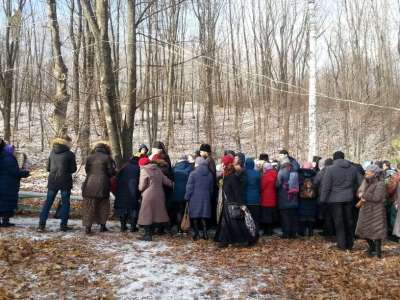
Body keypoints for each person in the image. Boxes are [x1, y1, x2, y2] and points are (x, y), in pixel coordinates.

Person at [320, 151, 362, 250]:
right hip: (349, 198)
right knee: (349, 221)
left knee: (339, 223)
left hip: (334, 200)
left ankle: (342, 245)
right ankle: (349, 244)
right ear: (344, 158)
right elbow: (361, 182)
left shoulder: (330, 169)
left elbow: (326, 186)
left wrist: (323, 200)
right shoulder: (353, 169)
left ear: (334, 159)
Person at [214, 155, 255, 247]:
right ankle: (225, 241)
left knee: (235, 223)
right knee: (228, 224)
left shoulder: (232, 177)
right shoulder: (226, 176)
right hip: (227, 204)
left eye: (223, 163)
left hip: (232, 204)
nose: (221, 165)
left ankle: (246, 239)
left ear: (226, 164)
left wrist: (241, 204)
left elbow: (237, 192)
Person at [39, 137, 77, 231]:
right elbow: (73, 169)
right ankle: (63, 225)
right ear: (67, 143)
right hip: (65, 182)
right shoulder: (70, 154)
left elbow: (48, 168)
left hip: (52, 181)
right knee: (65, 204)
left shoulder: (52, 153)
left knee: (48, 203)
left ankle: (41, 225)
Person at [81, 142, 115, 234]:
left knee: (89, 206)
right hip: (103, 184)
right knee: (103, 205)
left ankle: (88, 228)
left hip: (89, 183)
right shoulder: (107, 157)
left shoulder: (89, 157)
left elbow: (87, 170)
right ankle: (102, 226)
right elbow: (111, 172)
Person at [355, 164, 387, 258]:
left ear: (375, 173)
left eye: (368, 172)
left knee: (376, 233)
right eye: (366, 171)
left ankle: (378, 253)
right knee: (363, 231)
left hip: (376, 211)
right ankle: (371, 247)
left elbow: (377, 197)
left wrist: (364, 195)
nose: (366, 173)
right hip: (366, 210)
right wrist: (360, 194)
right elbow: (359, 192)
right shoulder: (366, 182)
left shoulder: (380, 184)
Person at [137, 157, 173, 241]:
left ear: (141, 164)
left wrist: (139, 188)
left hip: (148, 195)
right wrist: (174, 184)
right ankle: (169, 231)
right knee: (161, 213)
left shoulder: (144, 171)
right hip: (160, 194)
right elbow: (167, 182)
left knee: (146, 214)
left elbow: (142, 186)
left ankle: (147, 235)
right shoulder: (158, 169)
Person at [0, 140, 29, 227]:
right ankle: (5, 221)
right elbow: (14, 172)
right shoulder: (8, 157)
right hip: (8, 184)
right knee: (6, 202)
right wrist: (25, 173)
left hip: (3, 182)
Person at [185, 157, 214, 240]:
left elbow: (189, 187)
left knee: (195, 216)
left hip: (195, 198)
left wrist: (187, 197)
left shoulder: (193, 174)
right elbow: (211, 188)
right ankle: (205, 234)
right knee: (203, 216)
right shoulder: (210, 174)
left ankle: (197, 234)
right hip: (206, 197)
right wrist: (210, 195)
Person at [114, 156, 140, 232]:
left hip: (122, 190)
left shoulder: (124, 167)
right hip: (133, 190)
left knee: (122, 208)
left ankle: (123, 226)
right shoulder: (138, 168)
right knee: (133, 208)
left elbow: (117, 177)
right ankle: (133, 227)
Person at [276, 158, 299, 239]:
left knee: (285, 217)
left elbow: (277, 184)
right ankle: (293, 233)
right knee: (293, 216)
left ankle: (286, 233)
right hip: (294, 198)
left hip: (284, 198)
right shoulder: (295, 172)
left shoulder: (281, 172)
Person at [171, 155, 194, 233]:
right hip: (187, 192)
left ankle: (179, 228)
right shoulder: (190, 167)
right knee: (186, 210)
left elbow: (172, 179)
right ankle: (185, 228)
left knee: (178, 211)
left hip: (176, 192)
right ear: (186, 160)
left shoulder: (174, 168)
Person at [314, 158, 335, 237]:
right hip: (334, 197)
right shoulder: (335, 171)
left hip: (323, 196)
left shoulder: (321, 172)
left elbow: (315, 183)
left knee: (326, 216)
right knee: (333, 215)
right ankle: (333, 231)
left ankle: (328, 232)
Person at [297, 162, 317, 237]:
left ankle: (302, 231)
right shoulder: (315, 174)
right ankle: (311, 231)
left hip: (302, 198)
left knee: (302, 214)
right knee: (311, 214)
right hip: (312, 198)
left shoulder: (299, 175)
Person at [260, 162, 278, 236]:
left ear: (265, 168)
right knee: (271, 215)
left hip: (265, 198)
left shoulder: (265, 176)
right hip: (273, 197)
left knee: (266, 216)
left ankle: (266, 231)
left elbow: (261, 187)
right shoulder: (276, 174)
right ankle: (271, 230)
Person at [244, 158, 261, 233]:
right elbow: (260, 186)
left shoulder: (244, 173)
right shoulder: (257, 173)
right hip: (256, 199)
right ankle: (256, 233)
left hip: (247, 199)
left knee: (247, 218)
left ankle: (248, 234)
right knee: (255, 218)